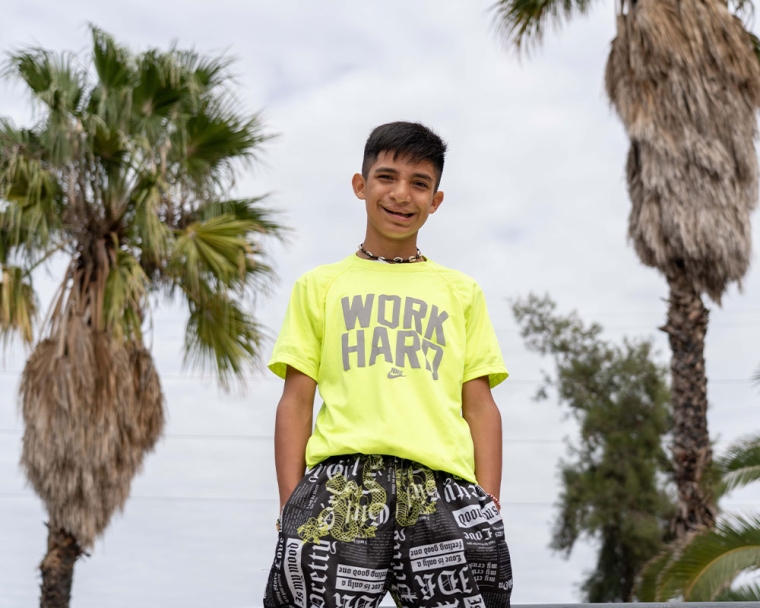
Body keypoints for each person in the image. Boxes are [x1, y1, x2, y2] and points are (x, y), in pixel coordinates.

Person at [263, 121, 513, 608]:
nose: (402, 195)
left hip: (444, 489)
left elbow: (480, 406)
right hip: (339, 484)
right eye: (387, 177)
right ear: (361, 186)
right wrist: (291, 503)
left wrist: (488, 504)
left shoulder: (461, 292)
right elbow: (296, 401)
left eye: (419, 183)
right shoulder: (321, 285)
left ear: (436, 200)